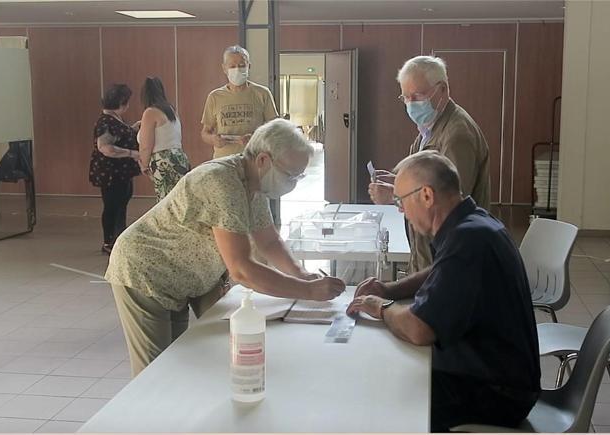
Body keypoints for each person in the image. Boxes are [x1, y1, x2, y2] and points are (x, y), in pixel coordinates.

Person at [106, 118, 345, 376]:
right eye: (291, 175)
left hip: (183, 277)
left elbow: (269, 241)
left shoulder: (253, 185)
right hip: (146, 270)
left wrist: (300, 273)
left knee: (175, 361)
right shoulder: (221, 183)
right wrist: (307, 291)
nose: (294, 183)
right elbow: (241, 269)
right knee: (153, 375)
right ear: (263, 160)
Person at [348, 151, 540, 432]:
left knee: (390, 396)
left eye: (401, 201)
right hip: (496, 375)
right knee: (396, 373)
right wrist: (390, 288)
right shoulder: (474, 222)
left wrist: (380, 306)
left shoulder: (469, 240)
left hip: (498, 393)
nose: (400, 210)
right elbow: (441, 270)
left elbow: (419, 329)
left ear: (426, 196)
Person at [369, 55, 490, 273]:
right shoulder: (429, 129)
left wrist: (395, 197)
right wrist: (399, 183)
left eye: (418, 95)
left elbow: (449, 205)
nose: (411, 104)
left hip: (453, 257)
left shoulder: (457, 135)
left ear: (442, 90)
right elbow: (429, 180)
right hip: (430, 256)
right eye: (406, 97)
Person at [89, 84, 141, 255]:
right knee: (112, 206)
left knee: (121, 205)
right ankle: (109, 241)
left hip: (121, 172)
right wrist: (133, 153)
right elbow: (106, 147)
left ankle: (118, 239)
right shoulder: (105, 121)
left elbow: (120, 135)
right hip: (111, 173)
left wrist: (133, 128)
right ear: (121, 102)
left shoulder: (115, 118)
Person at [201, 45, 279, 159]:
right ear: (224, 68)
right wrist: (213, 139)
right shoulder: (215, 97)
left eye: (242, 65)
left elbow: (275, 128)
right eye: (232, 66)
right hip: (224, 161)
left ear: (249, 66)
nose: (237, 69)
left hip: (254, 159)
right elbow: (205, 132)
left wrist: (255, 137)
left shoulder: (262, 93)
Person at [137, 77, 190, 201]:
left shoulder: (150, 112)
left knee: (166, 203)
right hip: (179, 157)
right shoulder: (170, 109)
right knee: (180, 200)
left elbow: (146, 146)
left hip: (163, 161)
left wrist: (144, 165)